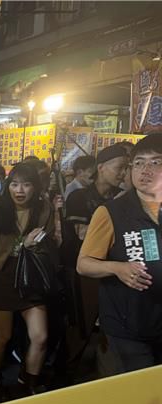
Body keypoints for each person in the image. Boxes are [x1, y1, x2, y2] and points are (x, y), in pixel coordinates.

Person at [77, 134, 162, 373]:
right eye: (139, 163)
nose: (145, 170)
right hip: (127, 329)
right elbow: (83, 264)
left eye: (156, 162)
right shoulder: (111, 212)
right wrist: (117, 267)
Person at [0, 163, 56, 396]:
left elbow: (49, 245)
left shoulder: (44, 210)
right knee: (2, 337)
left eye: (26, 184)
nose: (19, 190)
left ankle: (27, 381)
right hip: (2, 279)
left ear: (36, 187)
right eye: (14, 184)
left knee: (40, 336)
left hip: (31, 278)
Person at [58, 144, 129, 379]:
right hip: (81, 269)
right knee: (82, 323)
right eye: (120, 167)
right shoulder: (80, 196)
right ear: (101, 167)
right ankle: (65, 375)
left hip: (111, 270)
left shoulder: (121, 197)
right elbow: (82, 234)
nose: (123, 173)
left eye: (126, 168)